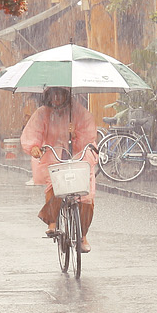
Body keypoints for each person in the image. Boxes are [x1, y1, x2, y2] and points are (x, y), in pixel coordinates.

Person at [20, 85, 98, 251]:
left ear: (66, 95)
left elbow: (89, 135)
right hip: (53, 154)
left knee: (86, 195)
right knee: (55, 185)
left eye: (60, 93)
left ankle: (83, 236)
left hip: (78, 155)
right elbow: (34, 133)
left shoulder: (78, 112)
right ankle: (52, 220)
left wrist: (76, 135)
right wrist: (34, 146)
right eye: (53, 94)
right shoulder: (42, 113)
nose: (56, 97)